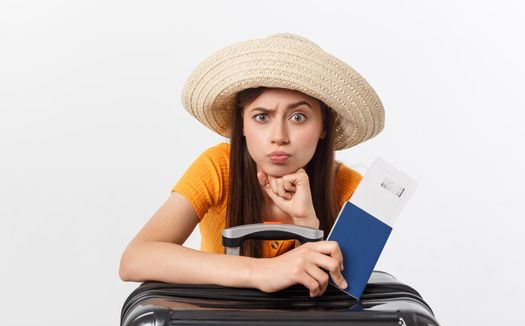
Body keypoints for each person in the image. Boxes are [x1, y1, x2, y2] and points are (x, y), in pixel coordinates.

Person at [119, 33, 384, 298]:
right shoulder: (218, 167)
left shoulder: (353, 190)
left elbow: (345, 300)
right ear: (242, 125)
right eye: (261, 116)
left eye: (298, 116)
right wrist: (262, 272)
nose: (278, 136)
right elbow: (135, 259)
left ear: (324, 126)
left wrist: (308, 225)